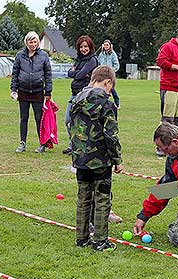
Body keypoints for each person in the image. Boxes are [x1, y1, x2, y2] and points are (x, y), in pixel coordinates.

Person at [70, 65, 123, 251]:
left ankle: (81, 238)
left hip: (80, 158)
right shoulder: (107, 103)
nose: (110, 91)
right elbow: (111, 135)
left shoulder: (76, 99)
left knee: (83, 197)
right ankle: (100, 241)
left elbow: (71, 126)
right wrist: (117, 159)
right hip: (100, 159)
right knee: (102, 199)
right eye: (111, 87)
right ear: (107, 82)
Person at [10, 31, 53, 153]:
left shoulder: (44, 56)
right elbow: (15, 73)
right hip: (23, 91)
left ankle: (42, 143)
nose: (33, 44)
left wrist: (48, 92)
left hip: (38, 91)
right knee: (24, 118)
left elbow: (48, 75)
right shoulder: (19, 56)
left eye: (35, 42)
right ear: (26, 42)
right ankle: (22, 143)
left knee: (39, 118)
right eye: (31, 42)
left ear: (38, 42)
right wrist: (13, 89)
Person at [62, 35, 99, 155]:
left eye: (86, 46)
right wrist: (79, 73)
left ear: (90, 47)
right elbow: (70, 73)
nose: (83, 49)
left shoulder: (92, 60)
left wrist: (78, 73)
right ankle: (73, 144)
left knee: (83, 122)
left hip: (85, 95)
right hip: (74, 94)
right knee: (68, 120)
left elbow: (77, 74)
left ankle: (82, 147)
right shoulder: (78, 60)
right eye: (81, 47)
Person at [97, 40, 120, 109]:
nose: (106, 46)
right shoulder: (101, 54)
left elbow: (117, 65)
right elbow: (98, 63)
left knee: (111, 89)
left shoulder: (113, 54)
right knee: (101, 88)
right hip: (102, 74)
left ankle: (117, 103)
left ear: (110, 46)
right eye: (105, 45)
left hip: (109, 74)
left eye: (107, 45)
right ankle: (102, 103)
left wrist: (111, 71)